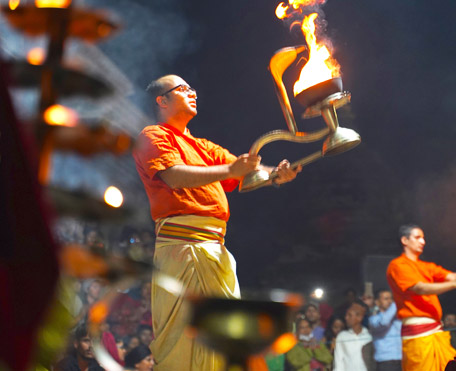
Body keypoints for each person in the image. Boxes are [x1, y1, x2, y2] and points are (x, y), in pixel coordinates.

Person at [133, 75, 301, 370]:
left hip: (215, 250)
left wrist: (276, 174)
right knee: (185, 341)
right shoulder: (152, 135)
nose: (193, 93)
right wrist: (229, 170)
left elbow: (244, 171)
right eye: (183, 89)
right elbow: (174, 175)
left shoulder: (201, 146)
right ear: (162, 100)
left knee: (226, 340)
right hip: (183, 249)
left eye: (193, 88)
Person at [386, 224, 456, 371]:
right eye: (417, 237)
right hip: (417, 336)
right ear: (405, 240)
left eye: (423, 238)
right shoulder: (397, 265)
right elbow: (420, 288)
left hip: (436, 331)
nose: (423, 241)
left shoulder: (427, 266)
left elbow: (453, 276)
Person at [334, 301, 374, 371]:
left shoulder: (369, 336)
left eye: (349, 315)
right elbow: (338, 361)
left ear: (359, 318)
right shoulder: (342, 336)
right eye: (346, 315)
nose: (346, 318)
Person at [368, 289, 402, 371]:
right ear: (377, 302)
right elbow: (384, 322)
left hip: (401, 361)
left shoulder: (397, 319)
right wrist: (397, 302)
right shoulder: (374, 319)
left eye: (391, 298)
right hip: (385, 363)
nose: (390, 301)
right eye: (386, 299)